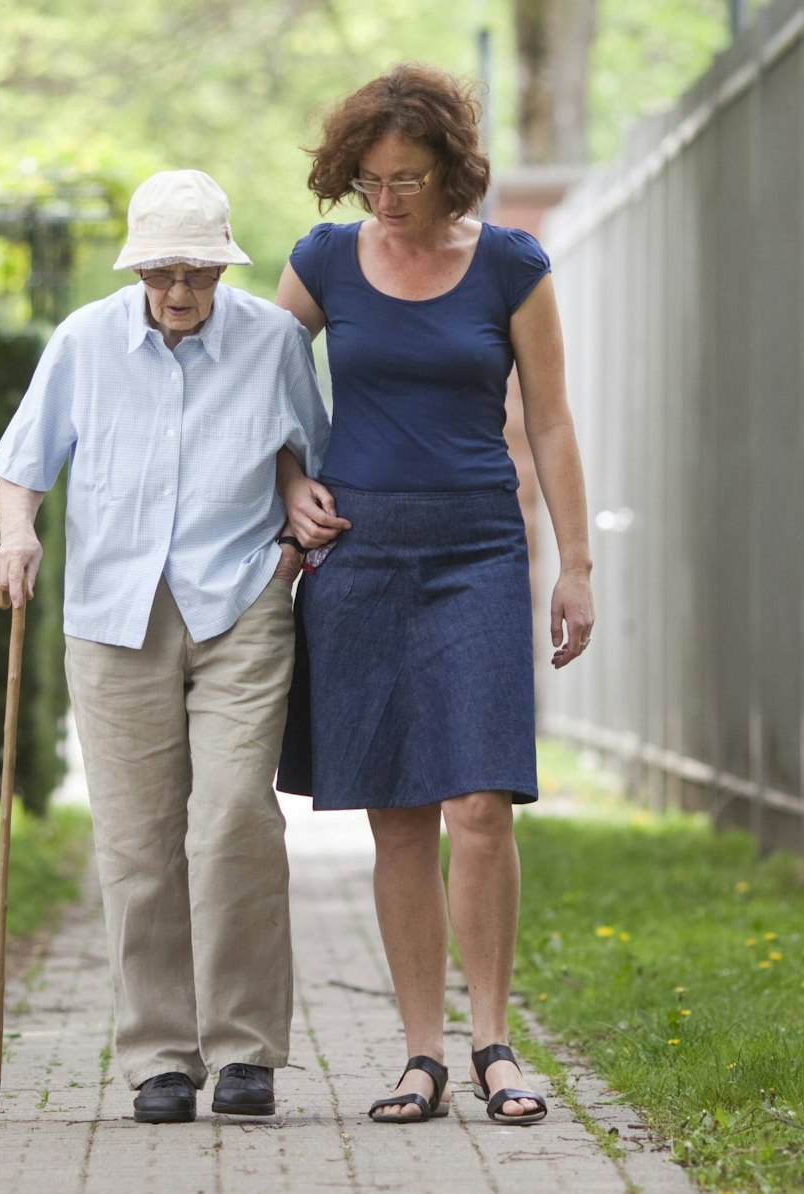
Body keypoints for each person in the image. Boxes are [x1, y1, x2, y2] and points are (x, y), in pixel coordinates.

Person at [273, 64, 595, 1126]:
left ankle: (493, 1039)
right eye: (367, 180)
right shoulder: (323, 261)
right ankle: (420, 1054)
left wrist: (577, 564)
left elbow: (547, 422)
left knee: (480, 803)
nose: (386, 198)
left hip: (475, 552)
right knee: (399, 818)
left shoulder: (509, 265)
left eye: (406, 177)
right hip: (358, 557)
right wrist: (289, 485)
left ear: (450, 169)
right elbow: (257, 392)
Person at [0, 169, 329, 1124]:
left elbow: (310, 452)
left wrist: (297, 510)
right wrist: (19, 533)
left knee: (232, 821)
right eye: (165, 270)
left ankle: (248, 1049)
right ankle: (159, 1057)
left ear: (225, 265)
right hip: (113, 616)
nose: (182, 290)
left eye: (201, 270)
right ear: (138, 266)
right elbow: (21, 470)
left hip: (241, 601)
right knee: (137, 842)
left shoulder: (273, 341)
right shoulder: (84, 343)